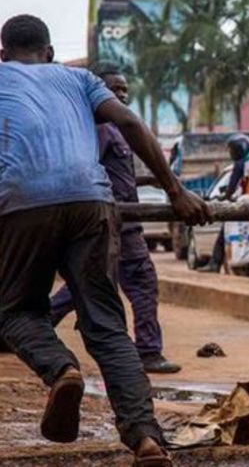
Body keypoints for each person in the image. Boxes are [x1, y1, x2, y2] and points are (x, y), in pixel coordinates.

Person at [0, 14, 211, 466]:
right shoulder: (79, 80)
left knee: (14, 311)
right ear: (50, 52)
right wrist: (176, 191)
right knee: (107, 325)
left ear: (3, 54)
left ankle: (62, 371)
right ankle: (145, 438)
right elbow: (131, 124)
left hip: (21, 206)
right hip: (91, 204)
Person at [48, 69, 182, 375]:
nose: (121, 95)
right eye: (114, 90)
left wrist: (150, 178)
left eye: (124, 90)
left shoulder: (109, 130)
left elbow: (116, 174)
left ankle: (30, 327)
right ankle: (148, 351)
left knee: (86, 283)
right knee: (141, 281)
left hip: (117, 218)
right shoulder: (99, 130)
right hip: (117, 221)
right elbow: (89, 170)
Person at [198, 133, 249, 272]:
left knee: (224, 231)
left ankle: (215, 263)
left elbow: (232, 186)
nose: (231, 153)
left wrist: (226, 196)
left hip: (245, 204)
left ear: (239, 149)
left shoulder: (240, 164)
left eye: (232, 150)